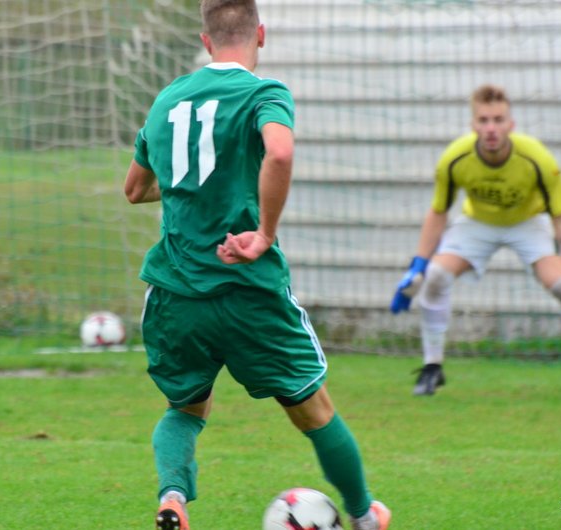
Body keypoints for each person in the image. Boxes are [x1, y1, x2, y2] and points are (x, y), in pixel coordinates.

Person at [124, 1, 391, 529]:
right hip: (247, 290)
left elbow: (135, 189)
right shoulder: (264, 93)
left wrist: (192, 190)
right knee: (314, 413)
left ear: (205, 41)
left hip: (176, 293)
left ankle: (172, 498)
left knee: (186, 409)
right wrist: (263, 234)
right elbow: (281, 152)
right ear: (260, 35)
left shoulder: (167, 100)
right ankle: (363, 517)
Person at [390, 83, 561, 397]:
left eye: (498, 120)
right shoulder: (454, 159)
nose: (491, 129)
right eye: (483, 121)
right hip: (478, 223)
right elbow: (438, 213)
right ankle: (432, 367)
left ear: (510, 124)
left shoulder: (538, 159)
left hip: (528, 223)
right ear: (473, 125)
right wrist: (416, 266)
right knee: (434, 276)